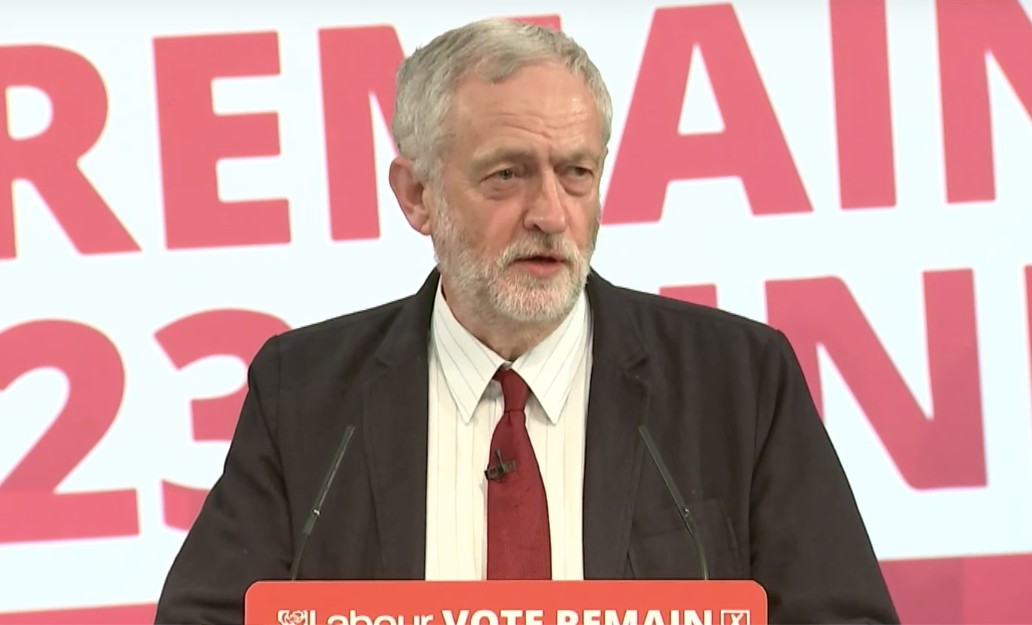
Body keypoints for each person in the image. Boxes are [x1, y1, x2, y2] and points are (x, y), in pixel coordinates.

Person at [154, 18, 899, 625]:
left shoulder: (736, 378)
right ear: (416, 195)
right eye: (506, 174)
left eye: (576, 172)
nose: (550, 214)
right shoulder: (306, 393)